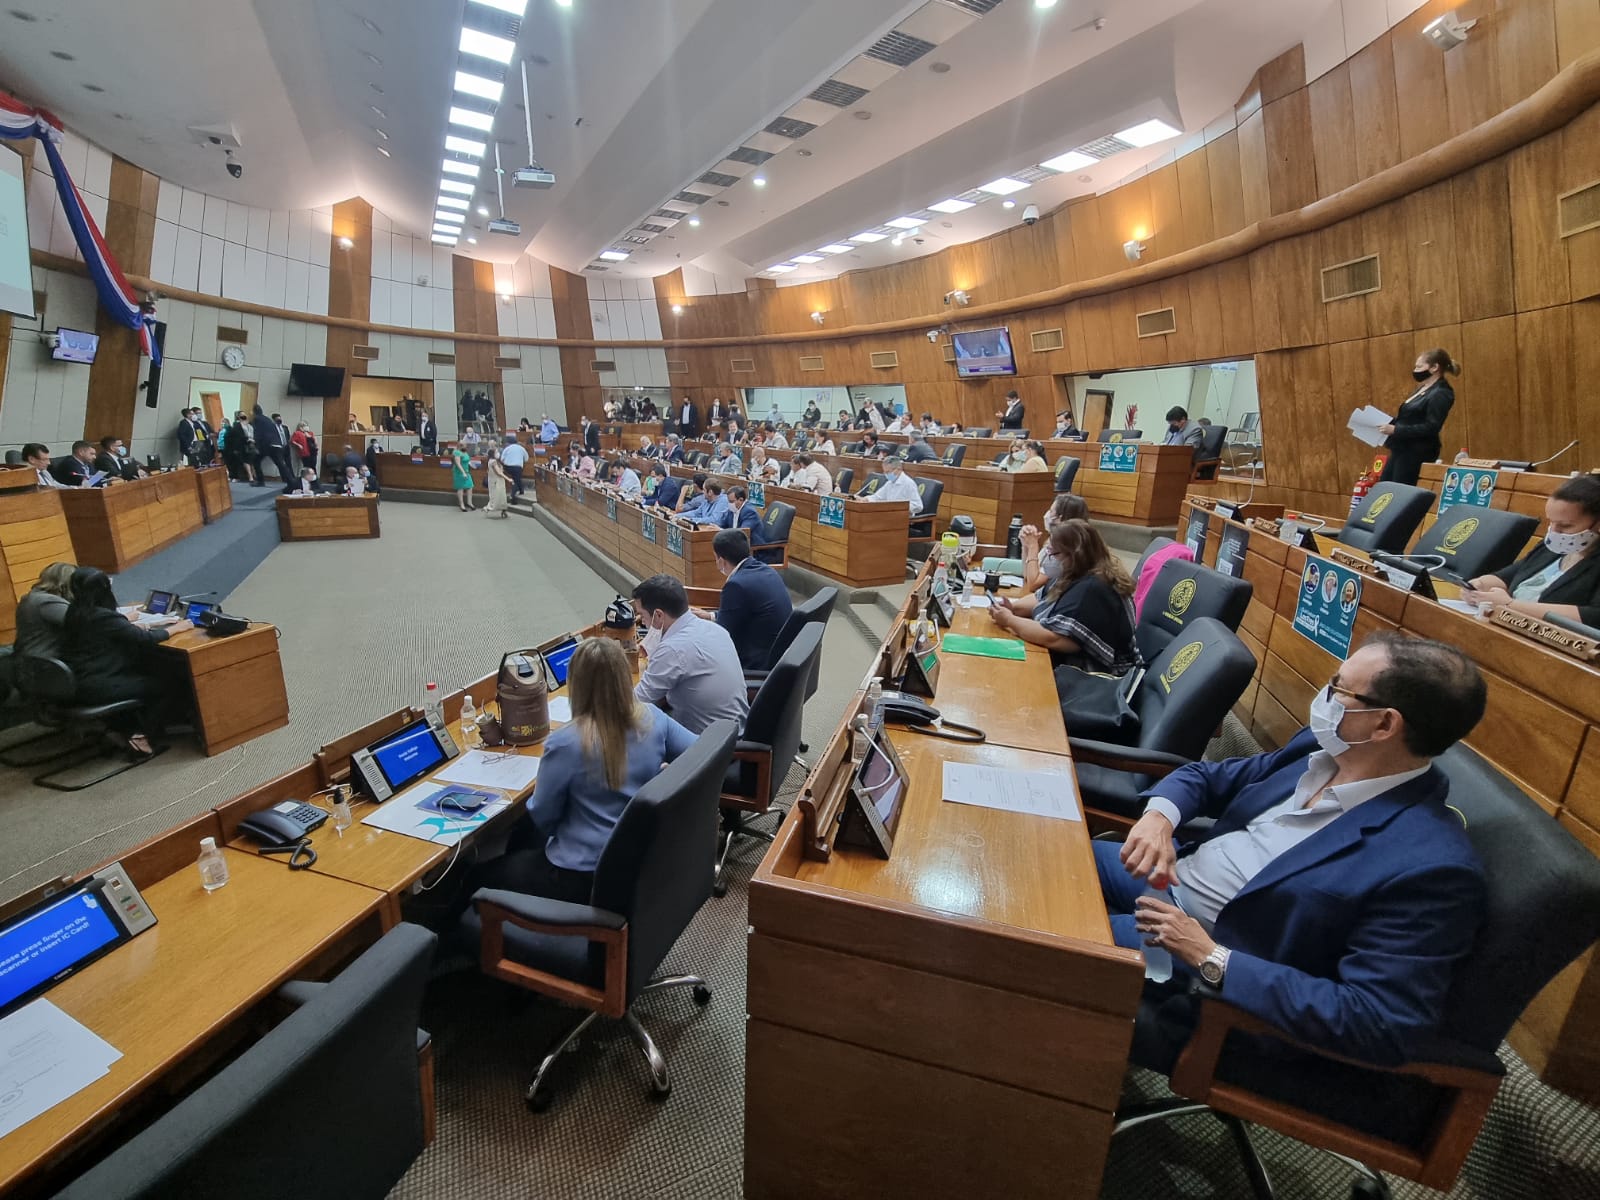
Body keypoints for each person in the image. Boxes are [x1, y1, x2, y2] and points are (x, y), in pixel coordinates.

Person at [1100, 633, 1488, 1069]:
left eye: (1339, 688)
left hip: (1202, 954)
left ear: (1384, 725)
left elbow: (1380, 1022)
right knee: (1031, 851)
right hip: (1168, 875)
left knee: (1047, 928)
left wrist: (1210, 956)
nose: (1325, 696)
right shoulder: (1317, 748)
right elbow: (1208, 779)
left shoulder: (1431, 867)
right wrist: (1159, 820)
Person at [465, 638, 697, 905]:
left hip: (577, 875)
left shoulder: (566, 742)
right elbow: (702, 754)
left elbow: (543, 817)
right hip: (637, 861)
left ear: (577, 684)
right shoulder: (653, 718)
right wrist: (663, 779)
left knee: (476, 876)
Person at [60, 566, 194, 758]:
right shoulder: (103, 616)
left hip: (81, 681)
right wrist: (177, 628)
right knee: (167, 684)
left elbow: (110, 629)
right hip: (100, 684)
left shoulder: (75, 612)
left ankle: (126, 728)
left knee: (151, 669)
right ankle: (141, 736)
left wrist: (124, 620)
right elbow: (143, 638)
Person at [989, 520, 1139, 674]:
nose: (1049, 559)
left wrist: (1009, 620)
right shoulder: (1075, 572)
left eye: (1054, 554)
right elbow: (1041, 599)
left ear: (1076, 553)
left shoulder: (1094, 588)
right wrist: (1011, 608)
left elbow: (1056, 639)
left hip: (1098, 677)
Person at [1462, 474, 1600, 625]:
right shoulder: (1554, 544)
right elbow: (1512, 574)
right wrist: (1478, 586)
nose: (1554, 531)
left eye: (1565, 526)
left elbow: (1593, 616)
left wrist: (1509, 605)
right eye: (1551, 522)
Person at [632, 574, 750, 733]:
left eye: (643, 617)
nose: (643, 623)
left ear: (658, 615)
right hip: (733, 732)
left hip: (706, 748)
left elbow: (634, 705)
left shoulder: (671, 650)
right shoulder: (716, 629)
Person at [705, 529, 793, 671]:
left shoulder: (736, 585)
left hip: (755, 664)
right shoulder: (767, 570)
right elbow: (741, 613)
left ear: (720, 560)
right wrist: (710, 616)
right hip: (777, 656)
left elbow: (721, 636)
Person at [1378, 348, 1459, 485]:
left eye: (1419, 366)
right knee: (1385, 487)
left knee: (1400, 492)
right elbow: (1410, 418)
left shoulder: (1441, 392)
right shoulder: (1422, 389)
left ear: (1434, 367)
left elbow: (1432, 426)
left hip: (1417, 451)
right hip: (1402, 447)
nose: (1415, 370)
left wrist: (1396, 430)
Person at [1018, 493, 1090, 592]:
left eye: (1051, 511)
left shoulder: (1064, 549)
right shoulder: (1052, 540)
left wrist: (1032, 546)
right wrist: (1025, 545)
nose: (1047, 514)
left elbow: (1033, 585)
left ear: (1059, 519)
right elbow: (1027, 576)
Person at [14, 562, 75, 660]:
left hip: (29, 659)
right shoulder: (48, 602)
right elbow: (82, 622)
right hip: (47, 663)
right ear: (65, 583)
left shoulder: (31, 598)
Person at [251, 404, 290, 485]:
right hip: (276, 444)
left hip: (266, 445)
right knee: (280, 464)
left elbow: (258, 433)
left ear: (254, 412)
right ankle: (290, 481)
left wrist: (256, 445)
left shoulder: (257, 419)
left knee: (256, 461)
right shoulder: (267, 419)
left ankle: (260, 481)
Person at [223, 413, 256, 483]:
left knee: (249, 461)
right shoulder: (239, 426)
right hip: (244, 445)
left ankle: (251, 476)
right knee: (247, 461)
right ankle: (251, 476)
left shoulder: (248, 425)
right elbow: (236, 437)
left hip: (248, 445)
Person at [483, 447, 510, 519]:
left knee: (501, 496)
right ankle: (488, 508)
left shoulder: (493, 461)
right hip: (496, 481)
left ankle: (503, 510)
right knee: (496, 496)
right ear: (493, 454)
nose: (498, 453)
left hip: (497, 481)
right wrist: (508, 479)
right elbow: (499, 473)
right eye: (496, 452)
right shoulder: (493, 462)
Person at [451, 441, 475, 512]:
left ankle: (469, 503)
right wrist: (463, 472)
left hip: (467, 471)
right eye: (465, 445)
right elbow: (458, 464)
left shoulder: (465, 452)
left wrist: (472, 465)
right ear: (460, 446)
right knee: (460, 488)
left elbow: (467, 461)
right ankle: (462, 505)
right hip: (459, 472)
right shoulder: (457, 452)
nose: (466, 447)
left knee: (470, 486)